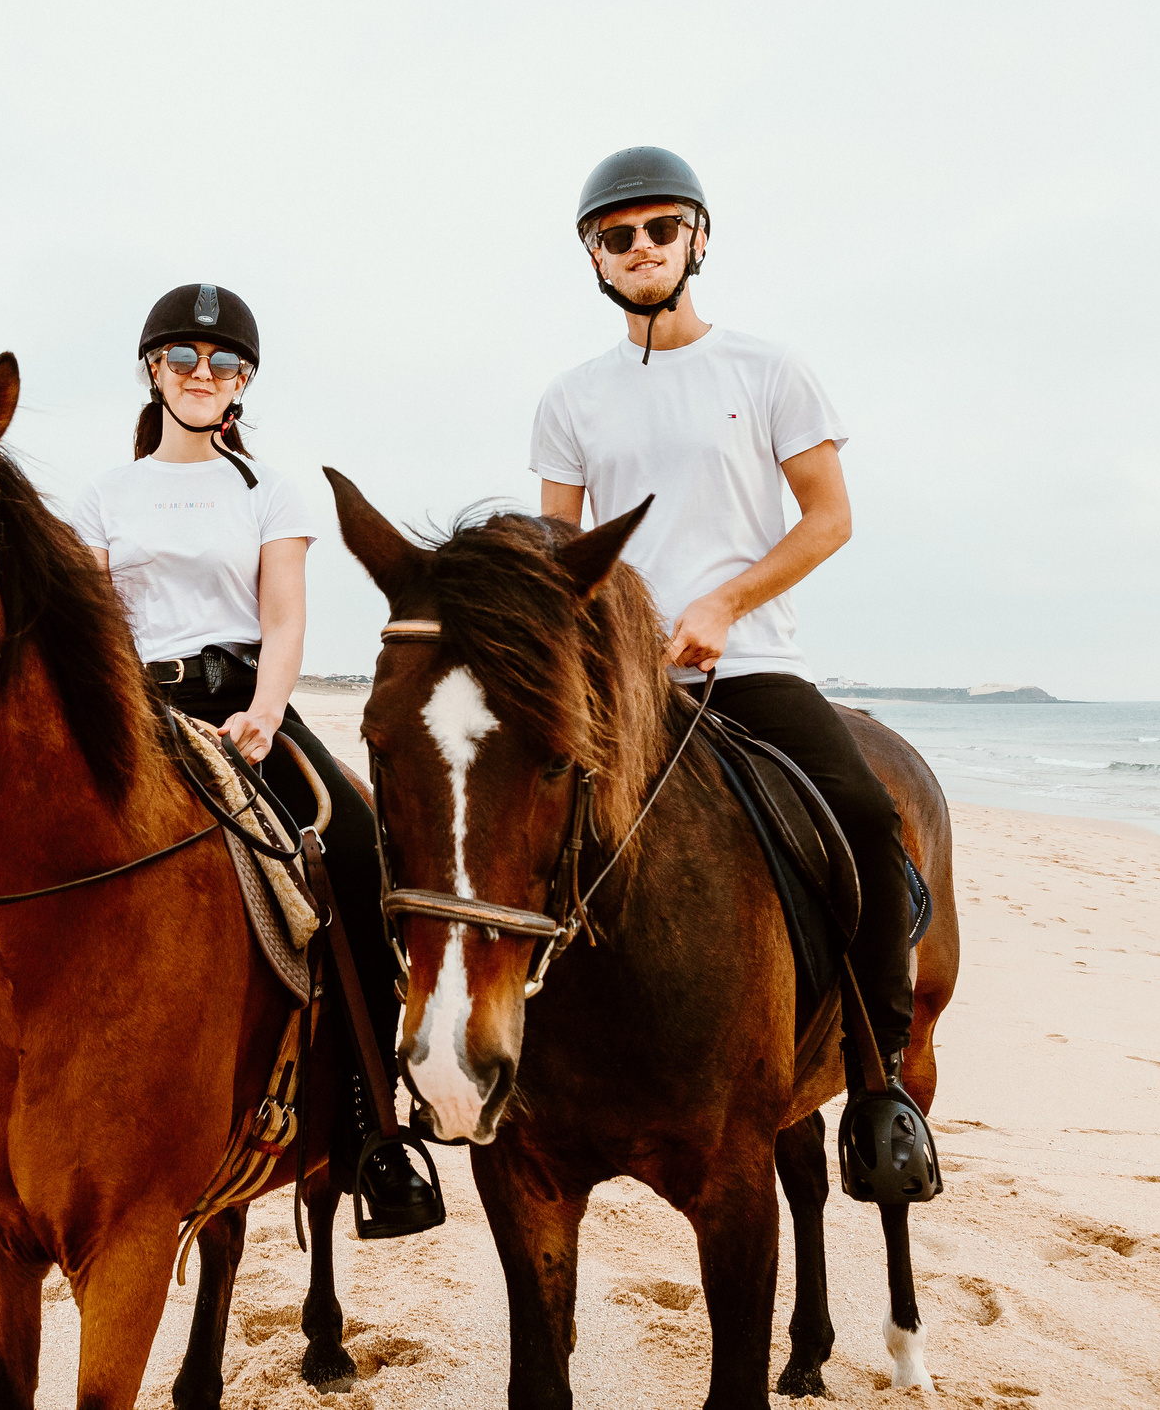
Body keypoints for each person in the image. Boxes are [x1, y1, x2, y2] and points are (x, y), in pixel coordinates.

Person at [529, 146, 927, 1130]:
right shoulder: (569, 398)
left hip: (749, 666)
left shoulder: (768, 368)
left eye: (659, 229)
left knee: (864, 823)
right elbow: (560, 551)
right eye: (616, 237)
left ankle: (879, 1088)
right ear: (596, 259)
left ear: (695, 239)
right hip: (625, 682)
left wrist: (722, 606)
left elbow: (829, 518)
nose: (639, 248)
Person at [63, 282, 444, 1239]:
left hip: (242, 704)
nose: (202, 376)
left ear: (244, 383)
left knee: (356, 847)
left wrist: (268, 713)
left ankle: (372, 1127)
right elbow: (96, 625)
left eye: (222, 364)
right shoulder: (104, 493)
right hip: (132, 707)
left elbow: (281, 616)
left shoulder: (271, 487)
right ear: (153, 370)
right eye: (183, 359)